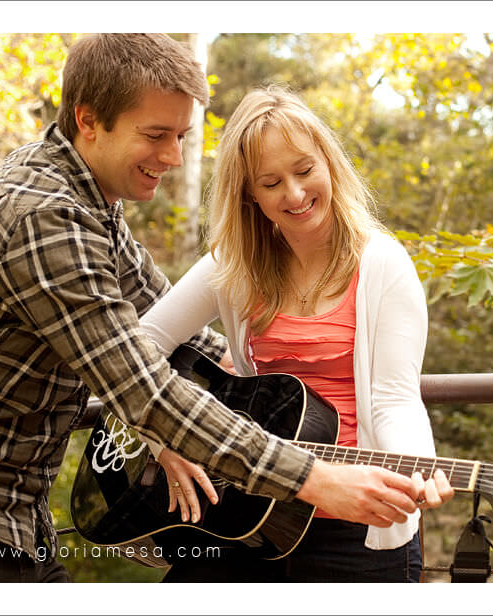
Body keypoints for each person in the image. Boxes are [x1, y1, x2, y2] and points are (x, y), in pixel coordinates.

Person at [0, 34, 443, 583]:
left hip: (16, 518)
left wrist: (225, 388)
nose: (173, 157)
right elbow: (143, 386)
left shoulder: (89, 201)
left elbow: (164, 328)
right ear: (89, 121)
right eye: (157, 135)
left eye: (182, 136)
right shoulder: (45, 219)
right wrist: (310, 476)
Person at [138, 84, 454, 583]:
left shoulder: (383, 263)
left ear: (329, 163)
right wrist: (164, 437)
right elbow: (139, 346)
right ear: (249, 195)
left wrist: (416, 470)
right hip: (249, 513)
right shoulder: (233, 265)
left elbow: (394, 398)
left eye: (305, 170)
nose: (295, 194)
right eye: (271, 182)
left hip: (356, 521)